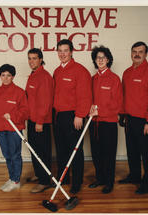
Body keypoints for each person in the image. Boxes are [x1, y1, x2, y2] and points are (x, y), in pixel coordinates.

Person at [118, 41, 148, 194]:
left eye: (140, 52)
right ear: (131, 53)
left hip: (145, 121)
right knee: (132, 151)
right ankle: (135, 176)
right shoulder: (127, 73)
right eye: (134, 51)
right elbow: (124, 96)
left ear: (146, 54)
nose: (137, 54)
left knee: (146, 153)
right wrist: (122, 114)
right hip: (129, 118)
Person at [53, 39, 92, 194]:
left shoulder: (80, 70)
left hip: (73, 116)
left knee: (75, 151)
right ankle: (63, 179)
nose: (62, 54)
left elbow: (85, 96)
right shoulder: (57, 71)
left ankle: (76, 182)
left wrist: (79, 115)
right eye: (60, 51)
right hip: (58, 116)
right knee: (61, 151)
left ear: (71, 52)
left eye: (65, 50)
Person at [0, 64, 29, 192]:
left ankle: (16, 181)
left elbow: (25, 111)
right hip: (1, 129)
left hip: (14, 130)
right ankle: (11, 178)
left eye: (8, 75)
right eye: (3, 75)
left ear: (13, 76)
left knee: (15, 155)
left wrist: (13, 115)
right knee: (7, 155)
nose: (5, 78)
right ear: (0, 76)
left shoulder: (19, 92)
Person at [88, 46, 123, 194]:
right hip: (94, 122)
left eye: (103, 58)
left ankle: (109, 182)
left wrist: (100, 111)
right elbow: (88, 99)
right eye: (98, 58)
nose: (100, 60)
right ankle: (100, 178)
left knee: (108, 154)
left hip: (108, 123)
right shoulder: (93, 79)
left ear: (108, 60)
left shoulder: (114, 79)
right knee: (96, 153)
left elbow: (118, 104)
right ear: (95, 60)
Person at [25, 48, 53, 193]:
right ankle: (39, 174)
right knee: (34, 150)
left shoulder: (44, 77)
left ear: (41, 59)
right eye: (29, 58)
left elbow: (45, 102)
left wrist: (40, 121)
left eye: (34, 58)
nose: (31, 61)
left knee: (42, 151)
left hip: (40, 122)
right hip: (31, 120)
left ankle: (44, 181)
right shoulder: (33, 75)